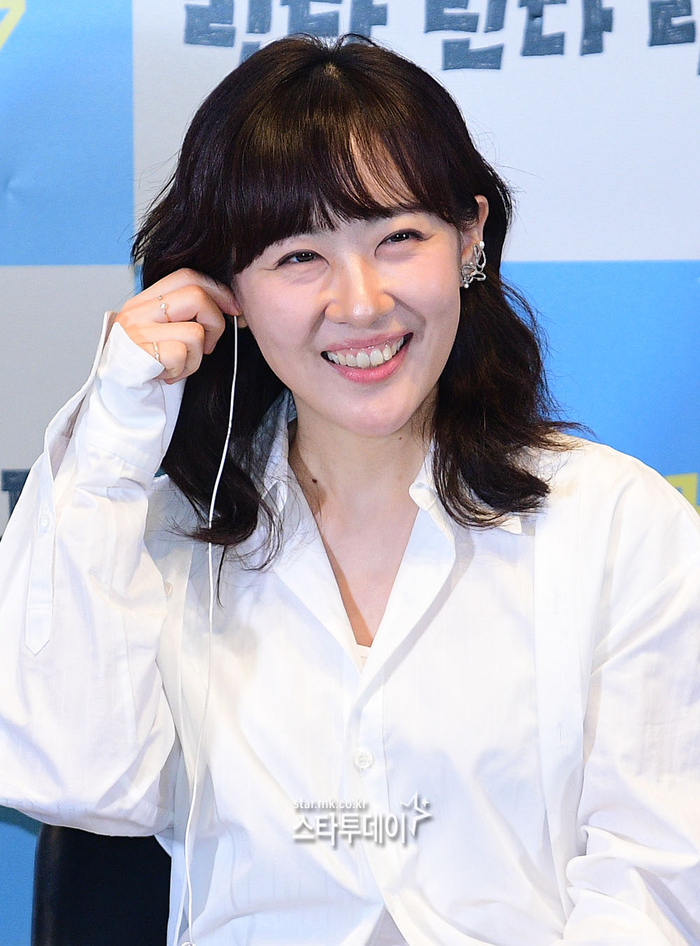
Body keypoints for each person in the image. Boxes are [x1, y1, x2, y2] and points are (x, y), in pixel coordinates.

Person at [1, 33, 699, 946]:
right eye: (299, 256)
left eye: (398, 238)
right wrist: (110, 441)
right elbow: (75, 779)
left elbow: (653, 883)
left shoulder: (617, 523)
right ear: (226, 289)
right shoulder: (161, 537)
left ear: (470, 237)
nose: (362, 303)